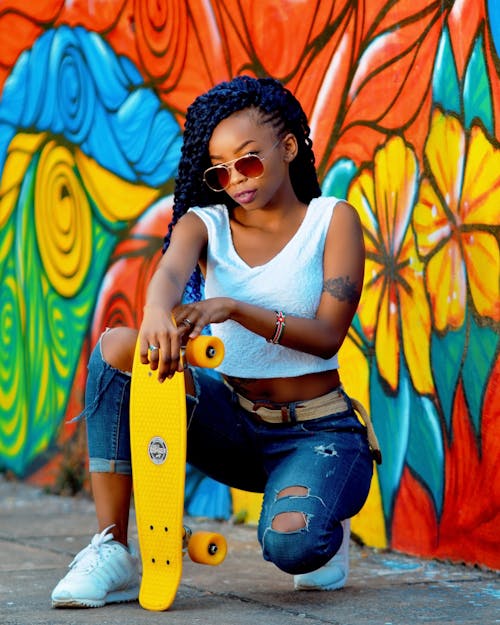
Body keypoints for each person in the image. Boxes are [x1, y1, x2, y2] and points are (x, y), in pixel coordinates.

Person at [51, 75, 379, 608]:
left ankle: (327, 531)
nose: (236, 180)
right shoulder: (206, 223)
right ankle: (111, 548)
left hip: (317, 432)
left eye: (248, 161)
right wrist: (160, 311)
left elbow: (325, 337)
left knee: (293, 544)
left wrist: (231, 308)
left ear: (289, 147)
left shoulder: (332, 221)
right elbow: (171, 269)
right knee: (117, 348)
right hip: (232, 422)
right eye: (220, 170)